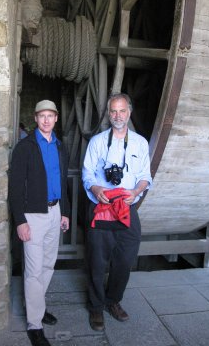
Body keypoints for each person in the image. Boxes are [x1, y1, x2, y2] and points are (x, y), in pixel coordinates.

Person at [82, 93, 152, 331]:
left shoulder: (140, 143)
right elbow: (88, 173)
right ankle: (95, 307)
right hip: (101, 207)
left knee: (125, 259)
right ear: (108, 114)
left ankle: (113, 301)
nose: (117, 116)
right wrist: (96, 187)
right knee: (96, 261)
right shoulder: (98, 142)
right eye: (113, 111)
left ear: (129, 113)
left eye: (122, 111)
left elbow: (145, 176)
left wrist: (136, 191)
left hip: (127, 208)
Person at [9, 100, 70, 346]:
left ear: (56, 119)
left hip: (55, 213)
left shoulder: (60, 147)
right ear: (35, 118)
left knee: (48, 265)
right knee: (33, 272)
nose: (46, 120)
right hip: (33, 216)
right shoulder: (25, 147)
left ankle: (37, 304)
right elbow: (14, 187)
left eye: (50, 116)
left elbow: (62, 181)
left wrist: (64, 212)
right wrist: (20, 221)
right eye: (41, 116)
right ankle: (35, 324)